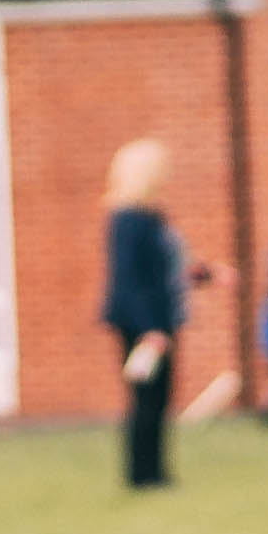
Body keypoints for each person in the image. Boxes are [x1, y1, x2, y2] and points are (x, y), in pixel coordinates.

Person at [100, 139, 196, 492]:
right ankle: (143, 474)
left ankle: (156, 470)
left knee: (159, 397)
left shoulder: (152, 215)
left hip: (160, 319)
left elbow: (168, 268)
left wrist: (207, 274)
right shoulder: (127, 218)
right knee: (145, 397)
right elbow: (129, 278)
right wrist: (149, 329)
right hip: (143, 323)